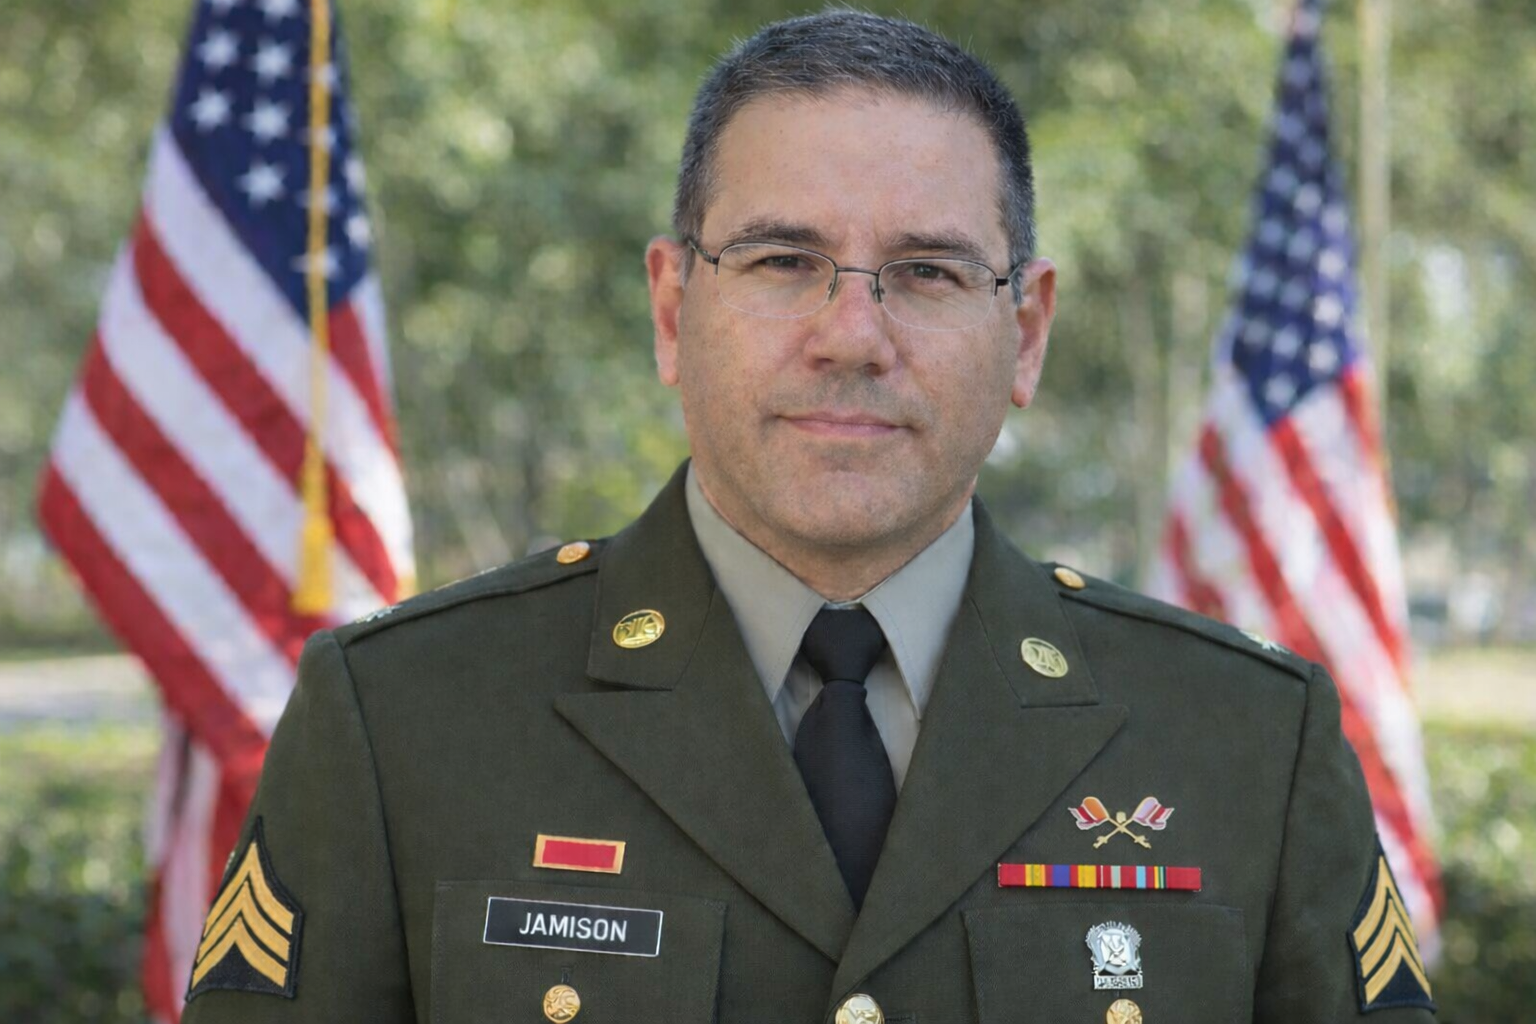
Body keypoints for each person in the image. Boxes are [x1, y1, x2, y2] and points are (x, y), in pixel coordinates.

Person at [181, 11, 1437, 1024]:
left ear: (1028, 332)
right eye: (782, 261)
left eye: (930, 273)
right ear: (673, 310)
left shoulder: (1245, 742)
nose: (852, 336)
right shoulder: (405, 721)